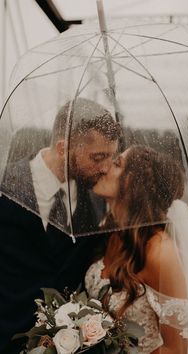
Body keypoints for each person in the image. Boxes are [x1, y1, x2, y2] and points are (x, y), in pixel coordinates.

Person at [0, 97, 121, 353]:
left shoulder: (98, 200)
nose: (106, 168)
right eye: (99, 157)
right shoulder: (5, 186)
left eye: (112, 156)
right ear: (63, 147)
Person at [85, 145, 188, 354]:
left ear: (133, 182)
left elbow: (177, 349)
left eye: (117, 164)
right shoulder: (110, 232)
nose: (104, 167)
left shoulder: (160, 253)